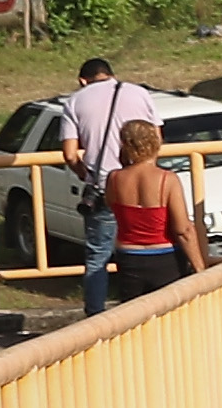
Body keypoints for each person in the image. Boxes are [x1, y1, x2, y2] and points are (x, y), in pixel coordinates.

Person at [84, 114, 207, 312]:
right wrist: (200, 267)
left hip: (129, 257)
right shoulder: (167, 180)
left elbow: (113, 207)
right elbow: (183, 229)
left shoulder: (114, 179)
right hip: (165, 256)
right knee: (170, 315)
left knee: (133, 316)